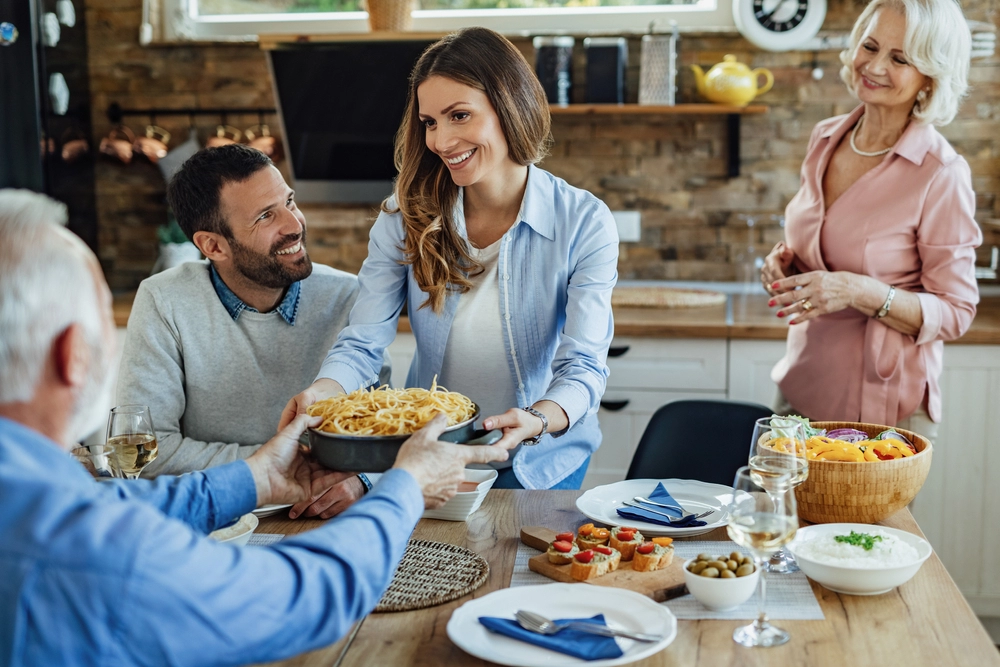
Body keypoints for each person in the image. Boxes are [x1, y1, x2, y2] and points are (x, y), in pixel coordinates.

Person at [0, 189, 507, 666]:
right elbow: (302, 594)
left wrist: (256, 478)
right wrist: (406, 487)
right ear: (76, 357)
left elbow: (112, 508)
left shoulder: (36, 494)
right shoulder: (91, 551)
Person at [280, 27, 619, 490]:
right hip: (431, 456)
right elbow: (362, 343)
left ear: (509, 107)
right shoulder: (404, 217)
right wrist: (322, 393)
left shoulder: (584, 221)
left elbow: (583, 365)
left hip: (539, 457)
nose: (441, 140)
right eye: (430, 122)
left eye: (459, 115)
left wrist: (539, 419)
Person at [117, 145, 388, 519]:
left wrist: (363, 479)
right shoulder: (164, 300)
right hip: (215, 520)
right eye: (265, 216)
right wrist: (269, 470)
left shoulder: (347, 295)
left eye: (289, 202)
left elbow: (388, 429)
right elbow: (149, 450)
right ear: (212, 246)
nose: (294, 225)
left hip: (326, 515)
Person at [762, 0, 982, 438]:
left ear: (930, 77)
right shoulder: (826, 138)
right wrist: (783, 267)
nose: (875, 66)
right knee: (776, 509)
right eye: (871, 46)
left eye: (899, 58)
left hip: (880, 410)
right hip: (799, 389)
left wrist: (858, 290)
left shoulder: (941, 173)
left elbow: (956, 311)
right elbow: (821, 247)